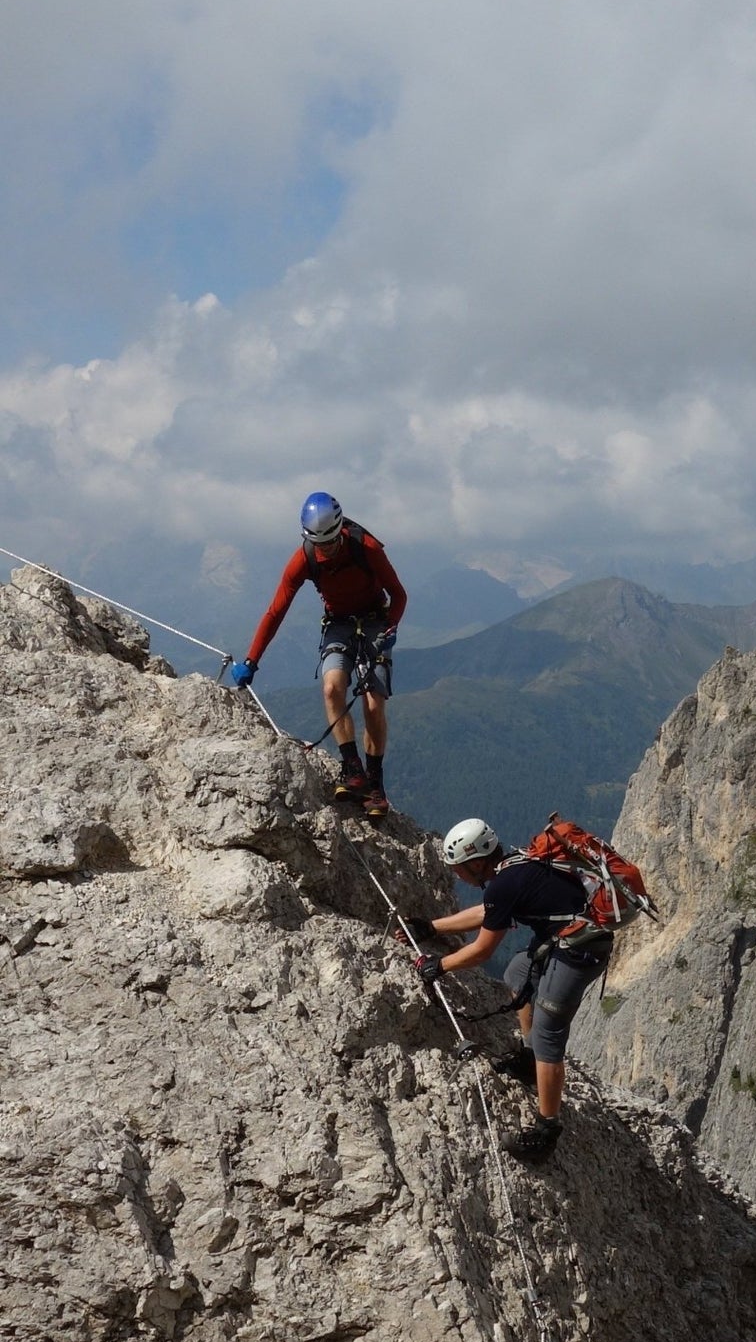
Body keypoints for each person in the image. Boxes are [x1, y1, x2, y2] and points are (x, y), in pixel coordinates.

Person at [415, 816, 614, 1164]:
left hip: (579, 953)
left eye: (459, 868)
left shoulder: (505, 881)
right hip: (571, 940)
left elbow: (482, 950)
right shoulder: (513, 866)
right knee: (518, 971)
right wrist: (431, 928)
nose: (456, 875)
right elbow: (488, 911)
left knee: (549, 1033)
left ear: (476, 861)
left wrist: (439, 966)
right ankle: (526, 1058)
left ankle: (546, 1130)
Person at [229, 492, 407, 819]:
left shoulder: (366, 548)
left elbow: (398, 594)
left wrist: (390, 629)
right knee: (331, 689)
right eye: (319, 544)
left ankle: (375, 784)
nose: (326, 549)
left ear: (340, 529)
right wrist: (252, 660)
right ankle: (352, 768)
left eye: (331, 543)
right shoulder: (305, 559)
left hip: (374, 623)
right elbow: (276, 611)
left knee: (373, 701)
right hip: (338, 624)